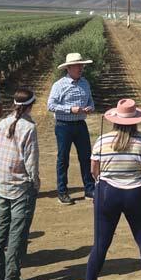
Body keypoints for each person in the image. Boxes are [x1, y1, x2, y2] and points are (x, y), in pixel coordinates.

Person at [75, 99, 141, 280]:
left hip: (107, 193)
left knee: (101, 244)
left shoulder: (103, 140)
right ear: (136, 120)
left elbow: (93, 169)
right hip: (136, 193)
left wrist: (101, 182)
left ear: (114, 120)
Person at [0, 87, 40, 280]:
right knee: (17, 234)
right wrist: (34, 182)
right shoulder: (29, 128)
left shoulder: (2, 124)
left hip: (2, 184)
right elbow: (31, 160)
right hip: (21, 187)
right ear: (30, 106)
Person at [48, 52, 95, 205]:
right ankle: (62, 192)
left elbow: (91, 101)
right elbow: (51, 105)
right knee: (63, 159)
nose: (80, 68)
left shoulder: (85, 83)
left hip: (81, 125)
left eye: (81, 65)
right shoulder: (59, 85)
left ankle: (89, 189)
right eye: (77, 66)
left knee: (86, 157)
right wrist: (70, 109)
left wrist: (90, 108)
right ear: (68, 68)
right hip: (63, 126)